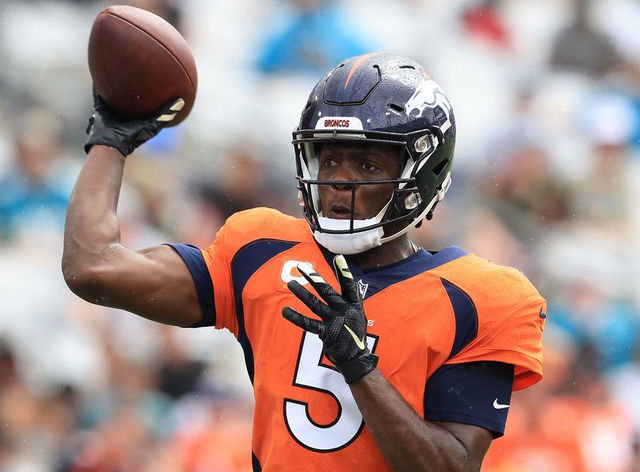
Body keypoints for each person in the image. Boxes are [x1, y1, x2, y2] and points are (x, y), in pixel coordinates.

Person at [62, 53, 545, 471]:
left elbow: (453, 467)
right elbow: (93, 268)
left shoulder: (478, 298)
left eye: (368, 165)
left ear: (421, 175)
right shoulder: (261, 249)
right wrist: (111, 139)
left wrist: (359, 366)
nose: (339, 180)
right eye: (329, 159)